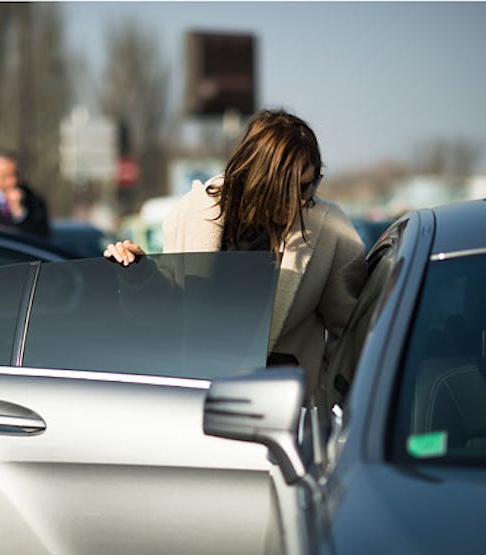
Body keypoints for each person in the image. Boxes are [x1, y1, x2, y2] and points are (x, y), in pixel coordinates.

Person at [104, 108, 367, 394]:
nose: (297, 202)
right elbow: (166, 313)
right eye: (284, 189)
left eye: (307, 187)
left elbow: (351, 334)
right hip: (197, 399)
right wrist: (139, 275)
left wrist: (326, 401)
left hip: (282, 410)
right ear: (254, 176)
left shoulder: (330, 230)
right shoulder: (194, 213)